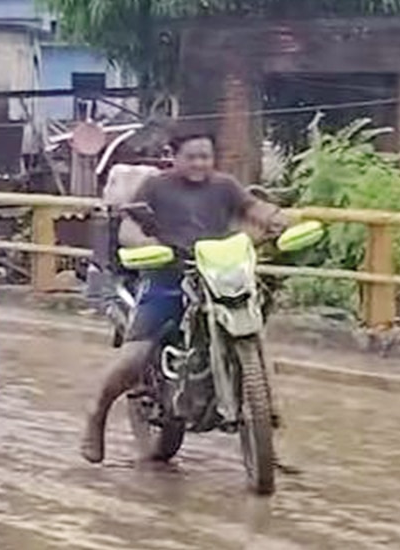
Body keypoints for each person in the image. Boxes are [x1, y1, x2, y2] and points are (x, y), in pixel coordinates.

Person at [80, 133, 289, 464]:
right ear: (173, 156)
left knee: (257, 331)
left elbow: (254, 208)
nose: (199, 164)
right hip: (167, 276)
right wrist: (145, 247)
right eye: (191, 157)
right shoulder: (155, 188)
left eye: (205, 156)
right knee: (137, 354)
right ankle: (97, 414)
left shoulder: (225, 186)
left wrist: (277, 218)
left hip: (218, 272)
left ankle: (267, 427)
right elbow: (129, 228)